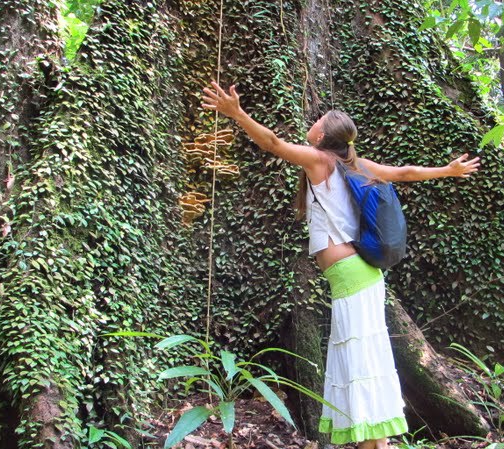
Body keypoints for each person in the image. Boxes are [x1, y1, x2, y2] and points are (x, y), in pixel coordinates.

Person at [201, 81, 480, 449]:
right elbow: (405, 172)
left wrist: (237, 113)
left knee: (360, 362)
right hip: (359, 276)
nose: (313, 121)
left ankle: (374, 444)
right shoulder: (356, 165)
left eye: (319, 120)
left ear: (322, 136)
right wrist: (447, 171)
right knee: (362, 360)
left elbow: (272, 143)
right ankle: (375, 444)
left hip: (354, 276)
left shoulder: (321, 161)